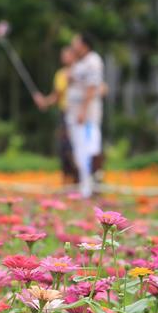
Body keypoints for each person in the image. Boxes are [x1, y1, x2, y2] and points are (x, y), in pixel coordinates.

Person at [66, 32, 104, 198]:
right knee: (79, 152)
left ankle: (90, 188)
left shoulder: (92, 61)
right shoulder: (79, 62)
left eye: (75, 42)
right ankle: (84, 186)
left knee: (89, 151)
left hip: (86, 116)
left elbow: (91, 87)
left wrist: (83, 111)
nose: (73, 45)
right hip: (74, 114)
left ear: (84, 44)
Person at [33, 46, 78, 185]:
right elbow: (57, 95)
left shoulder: (81, 71)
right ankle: (67, 178)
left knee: (75, 147)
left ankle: (78, 177)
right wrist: (45, 101)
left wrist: (45, 101)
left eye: (66, 54)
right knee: (65, 146)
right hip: (65, 113)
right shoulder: (60, 74)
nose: (63, 57)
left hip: (79, 113)